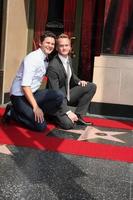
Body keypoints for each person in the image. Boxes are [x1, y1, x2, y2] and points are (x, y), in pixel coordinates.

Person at [2, 31, 64, 131]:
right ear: (40, 43)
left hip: (32, 93)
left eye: (52, 44)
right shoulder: (33, 59)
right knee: (41, 127)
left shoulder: (46, 59)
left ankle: (36, 113)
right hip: (19, 96)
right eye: (47, 43)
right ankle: (12, 112)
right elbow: (25, 86)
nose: (50, 46)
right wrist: (35, 107)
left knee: (58, 95)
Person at [46, 33, 97, 129]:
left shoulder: (68, 58)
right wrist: (68, 112)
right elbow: (55, 94)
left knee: (91, 86)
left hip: (67, 95)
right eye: (61, 46)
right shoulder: (53, 66)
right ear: (57, 48)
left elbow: (71, 75)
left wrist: (79, 81)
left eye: (66, 45)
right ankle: (52, 116)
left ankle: (79, 116)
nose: (64, 48)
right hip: (57, 100)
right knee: (69, 124)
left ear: (70, 47)